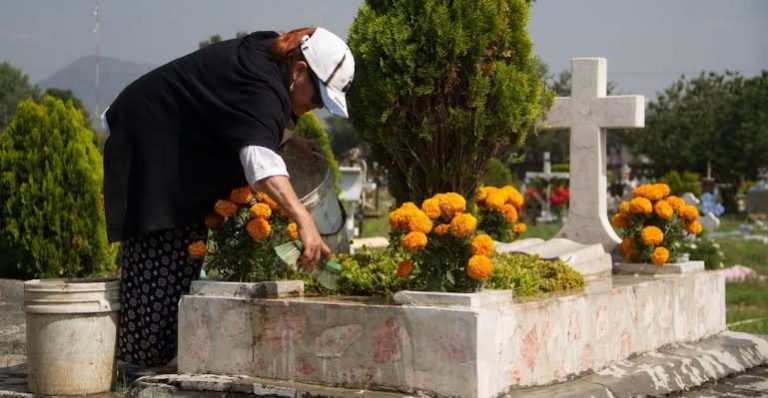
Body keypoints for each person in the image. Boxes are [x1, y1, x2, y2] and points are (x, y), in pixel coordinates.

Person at [101, 27, 354, 368]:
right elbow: (259, 164)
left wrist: (292, 141)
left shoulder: (271, 54)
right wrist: (304, 218)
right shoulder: (263, 85)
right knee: (165, 240)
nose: (315, 107)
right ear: (299, 70)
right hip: (151, 139)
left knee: (183, 250)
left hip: (171, 141)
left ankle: (150, 351)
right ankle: (141, 362)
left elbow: (242, 110)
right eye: (318, 98)